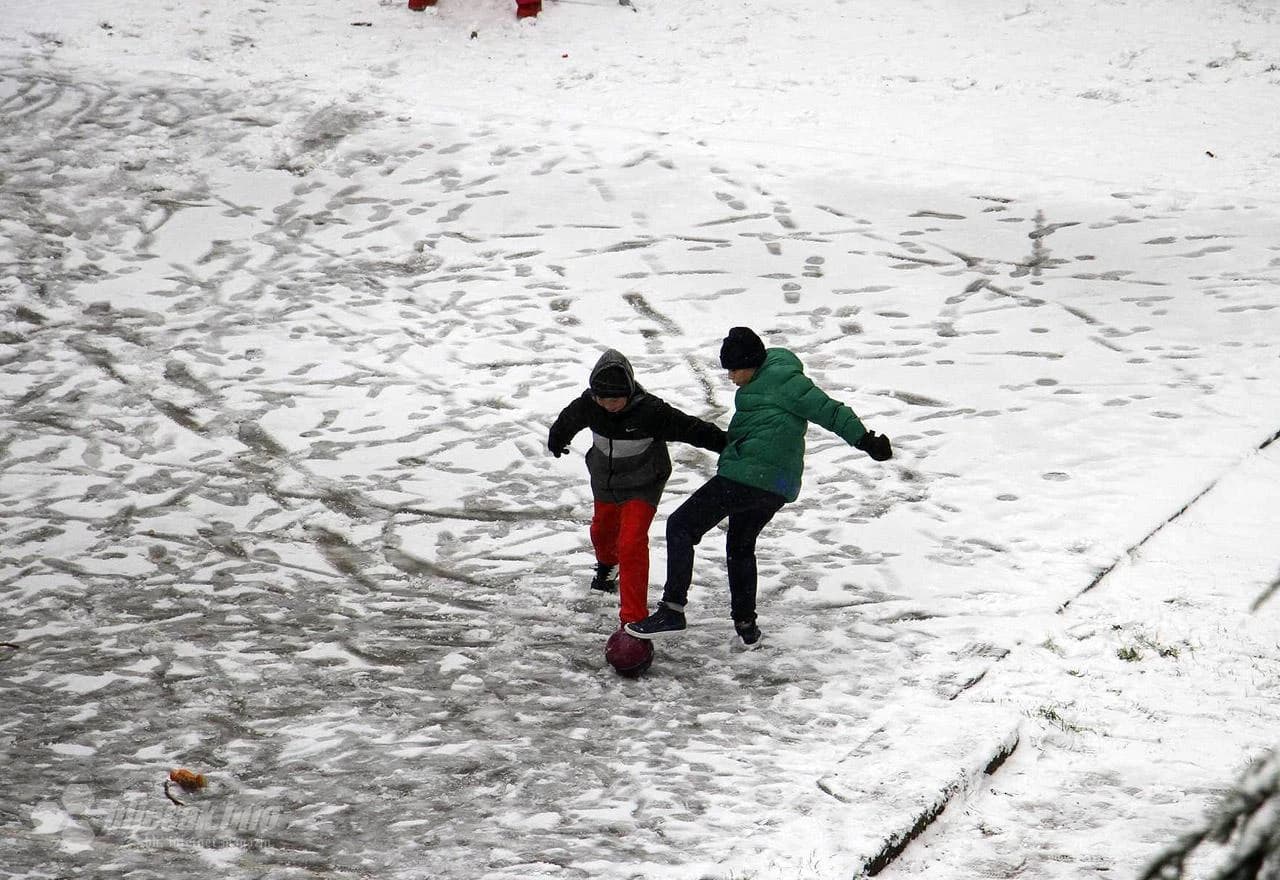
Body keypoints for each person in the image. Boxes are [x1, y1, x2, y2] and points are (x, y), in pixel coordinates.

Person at [625, 327, 893, 646]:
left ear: (751, 363)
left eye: (734, 369)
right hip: (775, 486)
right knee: (740, 543)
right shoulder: (761, 386)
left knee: (681, 525)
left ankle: (672, 609)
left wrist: (865, 440)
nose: (730, 377)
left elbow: (829, 410)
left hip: (750, 476)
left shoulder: (783, 381)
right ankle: (746, 624)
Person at [548, 349, 726, 628]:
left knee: (631, 543)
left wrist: (727, 445)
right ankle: (607, 567)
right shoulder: (588, 405)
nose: (609, 406)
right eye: (602, 400)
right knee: (601, 531)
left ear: (629, 393)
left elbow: (692, 429)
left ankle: (633, 619)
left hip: (643, 483)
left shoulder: (651, 412)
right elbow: (568, 420)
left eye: (616, 400)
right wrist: (558, 437)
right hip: (605, 481)